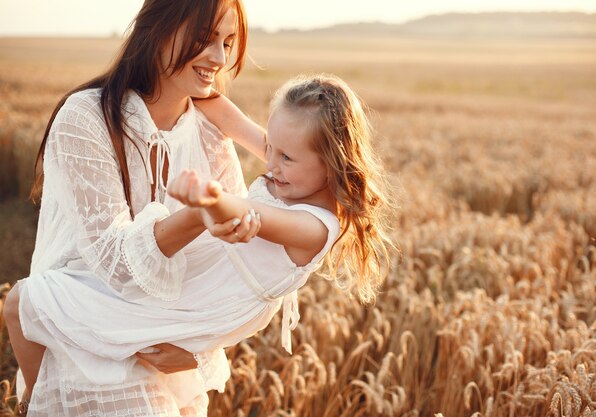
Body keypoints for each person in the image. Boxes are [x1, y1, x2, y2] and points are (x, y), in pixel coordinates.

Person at [6, 73, 396, 414]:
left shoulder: (315, 228)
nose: (269, 161)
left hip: (198, 305)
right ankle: (35, 404)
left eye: (285, 156)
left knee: (36, 303)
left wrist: (208, 197)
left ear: (331, 162)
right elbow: (225, 114)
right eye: (270, 147)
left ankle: (32, 407)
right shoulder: (292, 170)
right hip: (197, 277)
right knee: (35, 303)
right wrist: (186, 76)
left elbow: (248, 214)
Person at [2, 0, 266, 415]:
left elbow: (235, 265)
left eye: (228, 42)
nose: (220, 57)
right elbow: (117, 265)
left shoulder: (211, 132)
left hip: (166, 350)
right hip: (83, 342)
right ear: (157, 28)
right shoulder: (87, 118)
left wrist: (199, 349)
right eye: (204, 38)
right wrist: (199, 214)